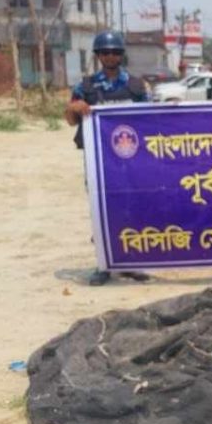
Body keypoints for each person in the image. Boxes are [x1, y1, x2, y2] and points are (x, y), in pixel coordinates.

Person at [64, 31, 150, 286]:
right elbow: (71, 121)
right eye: (105, 52)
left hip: (131, 163)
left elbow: (152, 118)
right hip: (99, 163)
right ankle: (103, 264)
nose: (110, 56)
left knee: (131, 209)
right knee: (101, 210)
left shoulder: (137, 86)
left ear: (121, 55)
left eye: (114, 52)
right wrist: (73, 108)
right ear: (98, 56)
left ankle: (130, 263)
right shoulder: (85, 87)